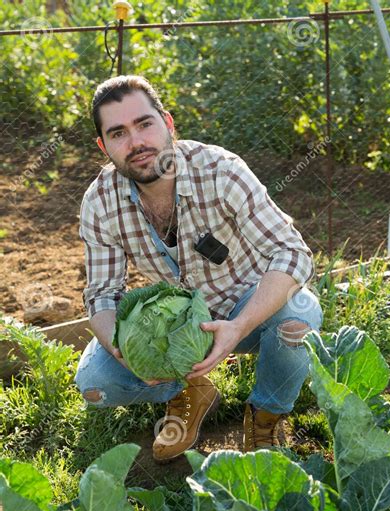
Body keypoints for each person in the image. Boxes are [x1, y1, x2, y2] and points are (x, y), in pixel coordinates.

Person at [75, 75, 323, 462]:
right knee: (96, 383)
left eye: (144, 124)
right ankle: (187, 392)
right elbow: (102, 295)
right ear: (103, 146)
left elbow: (292, 254)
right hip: (173, 333)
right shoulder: (100, 202)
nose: (136, 142)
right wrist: (129, 353)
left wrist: (239, 327)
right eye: (118, 133)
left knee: (300, 315)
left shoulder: (221, 171)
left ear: (168, 124)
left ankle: (265, 415)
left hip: (247, 312)